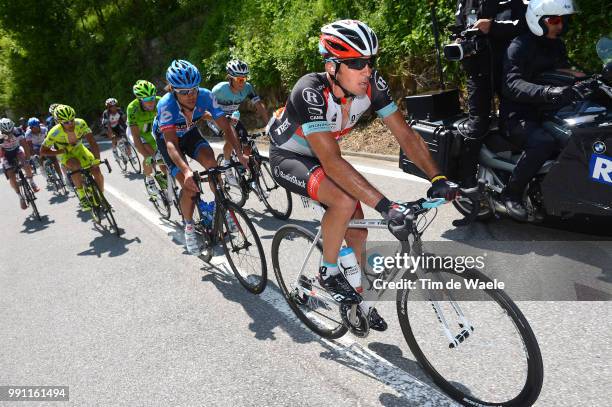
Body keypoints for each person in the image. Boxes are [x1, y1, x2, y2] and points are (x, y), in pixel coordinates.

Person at [267, 20, 458, 330]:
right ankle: (329, 272)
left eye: (370, 61)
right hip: (290, 156)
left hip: (324, 156)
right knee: (343, 202)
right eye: (356, 63)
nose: (367, 69)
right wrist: (386, 206)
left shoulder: (372, 85)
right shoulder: (310, 91)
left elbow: (406, 136)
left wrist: (438, 179)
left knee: (358, 232)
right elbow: (332, 162)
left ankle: (357, 302)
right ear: (331, 66)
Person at [499, 0, 583, 220]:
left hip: (550, 110)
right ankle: (511, 194)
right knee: (543, 142)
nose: (560, 26)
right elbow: (511, 84)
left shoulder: (556, 44)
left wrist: (586, 79)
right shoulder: (519, 45)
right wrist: (547, 91)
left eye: (563, 20)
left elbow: (564, 71)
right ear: (538, 20)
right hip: (519, 115)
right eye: (555, 20)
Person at [156, 59, 248, 254]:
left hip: (189, 134)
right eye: (184, 92)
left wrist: (239, 153)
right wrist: (187, 170)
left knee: (213, 165)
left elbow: (226, 127)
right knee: (189, 186)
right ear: (173, 90)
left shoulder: (205, 96)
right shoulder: (166, 105)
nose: (190, 96)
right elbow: (171, 143)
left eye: (194, 89)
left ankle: (222, 207)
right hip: (169, 140)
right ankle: (188, 226)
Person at [453, 0, 528, 187]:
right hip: (478, 70)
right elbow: (459, 25)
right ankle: (467, 182)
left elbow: (527, 24)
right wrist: (459, 39)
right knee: (477, 124)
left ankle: (519, 178)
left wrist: (492, 27)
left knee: (515, 122)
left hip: (510, 70)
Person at [211, 59, 270, 185]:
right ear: (230, 78)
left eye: (245, 78)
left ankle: (246, 170)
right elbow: (206, 108)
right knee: (232, 138)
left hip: (232, 118)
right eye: (239, 79)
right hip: (215, 119)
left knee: (246, 140)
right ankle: (227, 168)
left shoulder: (247, 88)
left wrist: (269, 124)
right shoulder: (219, 89)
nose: (243, 83)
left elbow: (259, 105)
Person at [40, 105, 103, 211]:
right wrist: (60, 151)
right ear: (59, 122)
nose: (70, 124)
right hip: (65, 154)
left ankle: (101, 196)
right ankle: (82, 196)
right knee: (75, 165)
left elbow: (92, 142)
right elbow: (43, 151)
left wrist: (97, 159)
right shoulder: (54, 132)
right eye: (66, 122)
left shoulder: (81, 123)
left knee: (96, 170)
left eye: (72, 120)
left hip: (80, 149)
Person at [126, 80, 164, 195]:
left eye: (152, 98)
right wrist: (146, 156)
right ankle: (150, 180)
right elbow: (136, 137)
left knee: (162, 159)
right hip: (138, 134)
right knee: (149, 157)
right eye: (147, 100)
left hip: (152, 132)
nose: (151, 102)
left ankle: (169, 186)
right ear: (139, 99)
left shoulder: (160, 101)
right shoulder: (132, 108)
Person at [0, 117, 39, 209]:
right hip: (6, 154)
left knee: (25, 163)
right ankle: (20, 197)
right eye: (6, 132)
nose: (9, 134)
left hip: (17, 150)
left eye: (10, 131)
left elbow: (24, 145)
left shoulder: (17, 131)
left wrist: (29, 159)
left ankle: (32, 182)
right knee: (11, 175)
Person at [25, 117, 62, 186]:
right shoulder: (28, 134)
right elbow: (30, 146)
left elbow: (50, 140)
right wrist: (34, 155)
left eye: (36, 126)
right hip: (35, 146)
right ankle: (42, 168)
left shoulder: (44, 129)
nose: (35, 128)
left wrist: (52, 149)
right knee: (39, 157)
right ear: (30, 128)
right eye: (33, 127)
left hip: (45, 144)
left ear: (39, 125)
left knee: (54, 159)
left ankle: (61, 176)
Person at [101, 97, 130, 162]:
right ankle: (114, 151)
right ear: (108, 107)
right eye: (111, 106)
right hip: (108, 127)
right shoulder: (106, 113)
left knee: (125, 137)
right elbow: (108, 125)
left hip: (117, 125)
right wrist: (112, 134)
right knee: (114, 138)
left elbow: (124, 119)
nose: (114, 107)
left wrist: (128, 128)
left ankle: (127, 153)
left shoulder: (119, 110)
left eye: (115, 106)